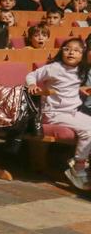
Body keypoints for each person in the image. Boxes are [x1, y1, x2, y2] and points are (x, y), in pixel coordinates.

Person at [26, 38, 91, 189]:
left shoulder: (80, 70)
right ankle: (78, 167)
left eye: (76, 50)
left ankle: (83, 163)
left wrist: (80, 89)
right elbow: (31, 75)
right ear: (61, 51)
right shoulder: (54, 68)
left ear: (82, 54)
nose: (71, 52)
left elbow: (69, 86)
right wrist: (32, 85)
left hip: (72, 111)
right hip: (54, 113)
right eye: (67, 49)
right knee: (88, 131)